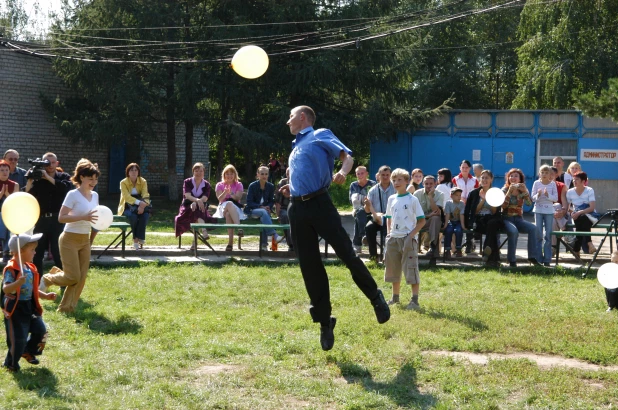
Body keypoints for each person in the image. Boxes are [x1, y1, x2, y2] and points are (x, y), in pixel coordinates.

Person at [282, 105, 389, 351]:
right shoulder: (296, 145)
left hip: (320, 204)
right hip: (297, 209)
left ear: (302, 117)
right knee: (310, 266)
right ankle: (324, 322)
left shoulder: (320, 134)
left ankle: (375, 297)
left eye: (290, 117)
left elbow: (347, 157)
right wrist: (293, 188)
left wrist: (342, 171)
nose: (287, 122)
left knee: (346, 254)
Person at [40, 159, 99, 314]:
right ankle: (48, 278)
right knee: (73, 276)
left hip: (84, 239)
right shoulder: (73, 194)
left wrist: (92, 236)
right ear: (81, 178)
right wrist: (83, 217)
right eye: (90, 178)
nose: (93, 182)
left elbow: (95, 218)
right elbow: (61, 217)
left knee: (81, 278)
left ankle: (66, 308)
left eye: (95, 178)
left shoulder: (95, 196)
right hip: (69, 239)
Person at [2, 233, 56, 372]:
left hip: (30, 307)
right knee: (18, 339)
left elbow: (33, 289)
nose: (35, 252)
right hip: (16, 309)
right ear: (20, 251)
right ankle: (11, 364)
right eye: (32, 249)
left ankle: (28, 350)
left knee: (41, 330)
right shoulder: (12, 269)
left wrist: (45, 296)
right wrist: (18, 282)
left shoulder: (30, 268)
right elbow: (6, 288)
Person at [383, 168, 426, 309]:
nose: (396, 183)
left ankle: (415, 300)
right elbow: (389, 218)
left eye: (399, 180)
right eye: (394, 180)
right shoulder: (391, 199)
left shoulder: (412, 199)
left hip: (408, 238)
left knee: (411, 268)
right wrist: (389, 234)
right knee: (393, 269)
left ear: (407, 181)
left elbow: (421, 221)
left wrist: (411, 236)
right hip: (393, 239)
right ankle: (395, 298)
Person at [25, 152, 73, 276]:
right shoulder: (38, 179)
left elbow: (67, 188)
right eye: (47, 163)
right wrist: (30, 180)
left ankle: (64, 281)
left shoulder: (63, 176)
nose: (50, 165)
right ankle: (36, 282)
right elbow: (26, 195)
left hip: (59, 220)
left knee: (59, 253)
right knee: (37, 253)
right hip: (41, 220)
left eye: (52, 162)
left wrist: (48, 177)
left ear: (57, 163)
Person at [463, 170, 504, 267]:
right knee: (492, 231)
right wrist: (483, 199)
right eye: (483, 177)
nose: (484, 180)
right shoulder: (474, 193)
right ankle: (493, 259)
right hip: (478, 221)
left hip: (491, 219)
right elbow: (474, 212)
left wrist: (489, 198)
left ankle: (487, 251)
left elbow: (495, 212)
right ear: (479, 179)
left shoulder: (495, 192)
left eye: (487, 178)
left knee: (492, 223)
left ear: (491, 179)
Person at [501, 168, 540, 267]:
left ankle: (532, 257)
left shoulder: (522, 189)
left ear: (520, 179)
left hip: (518, 219)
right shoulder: (504, 189)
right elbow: (503, 206)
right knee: (513, 231)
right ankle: (512, 260)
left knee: (533, 228)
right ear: (508, 178)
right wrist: (509, 192)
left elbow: (529, 204)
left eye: (516, 176)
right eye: (511, 176)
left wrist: (525, 192)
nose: (513, 178)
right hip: (506, 218)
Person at [174, 162, 215, 250]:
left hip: (200, 206)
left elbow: (205, 197)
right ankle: (203, 232)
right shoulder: (187, 182)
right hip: (187, 205)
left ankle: (195, 242)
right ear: (193, 172)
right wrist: (196, 200)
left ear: (204, 172)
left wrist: (197, 203)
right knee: (196, 212)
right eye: (196, 171)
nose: (198, 173)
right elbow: (187, 195)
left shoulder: (207, 184)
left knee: (197, 211)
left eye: (201, 171)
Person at [244, 165, 284, 252]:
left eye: (266, 174)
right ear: (257, 175)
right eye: (262, 174)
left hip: (265, 212)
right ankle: (274, 235)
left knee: (264, 215)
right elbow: (249, 202)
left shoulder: (270, 186)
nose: (264, 176)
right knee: (263, 212)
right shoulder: (252, 186)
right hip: (252, 211)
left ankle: (263, 246)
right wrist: (260, 206)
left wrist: (269, 207)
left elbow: (271, 201)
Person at [212, 164, 247, 252]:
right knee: (229, 204)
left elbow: (238, 198)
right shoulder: (219, 185)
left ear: (235, 175)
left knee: (228, 214)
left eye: (231, 174)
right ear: (224, 175)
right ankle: (239, 227)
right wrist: (225, 192)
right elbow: (220, 199)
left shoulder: (239, 184)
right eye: (227, 174)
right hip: (222, 207)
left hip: (236, 208)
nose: (229, 176)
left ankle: (230, 243)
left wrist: (231, 193)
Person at [363, 165, 394, 262]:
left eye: (387, 175)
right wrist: (367, 205)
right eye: (383, 175)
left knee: (386, 228)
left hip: (391, 219)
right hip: (376, 218)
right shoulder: (373, 190)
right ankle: (373, 256)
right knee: (369, 227)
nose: (385, 177)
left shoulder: (395, 188)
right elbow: (367, 211)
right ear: (379, 175)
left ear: (390, 175)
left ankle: (387, 256)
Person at [118, 163, 151, 250]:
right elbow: (126, 197)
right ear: (128, 172)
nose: (134, 172)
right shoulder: (123, 182)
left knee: (145, 215)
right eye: (131, 170)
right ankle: (136, 240)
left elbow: (145, 194)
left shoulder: (143, 181)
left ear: (138, 172)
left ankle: (140, 238)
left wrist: (142, 206)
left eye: (136, 170)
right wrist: (139, 203)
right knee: (133, 217)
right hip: (127, 206)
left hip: (142, 204)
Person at [566, 172, 598, 259]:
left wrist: (579, 212)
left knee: (582, 217)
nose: (574, 181)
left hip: (590, 216)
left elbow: (591, 208)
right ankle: (589, 243)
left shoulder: (589, 190)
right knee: (581, 219)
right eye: (573, 179)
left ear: (583, 181)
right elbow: (568, 208)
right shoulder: (570, 192)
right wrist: (573, 212)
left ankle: (576, 249)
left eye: (577, 179)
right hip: (577, 216)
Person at [532, 165, 558, 266]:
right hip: (538, 210)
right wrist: (538, 195)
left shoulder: (552, 184)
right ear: (539, 173)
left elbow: (555, 198)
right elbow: (533, 197)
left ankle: (547, 259)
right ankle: (538, 258)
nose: (544, 174)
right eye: (542, 172)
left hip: (549, 211)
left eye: (546, 173)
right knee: (538, 234)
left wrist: (548, 195)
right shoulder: (536, 183)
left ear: (550, 174)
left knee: (548, 234)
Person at [413, 175, 443, 259]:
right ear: (423, 184)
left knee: (436, 218)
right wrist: (428, 215)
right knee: (433, 218)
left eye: (431, 184)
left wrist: (430, 196)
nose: (429, 186)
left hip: (432, 221)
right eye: (426, 184)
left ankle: (432, 247)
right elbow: (415, 213)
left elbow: (437, 211)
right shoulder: (417, 194)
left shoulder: (440, 194)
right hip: (419, 220)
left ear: (435, 184)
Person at [453, 160, 479, 254]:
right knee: (458, 224)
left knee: (469, 224)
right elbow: (452, 192)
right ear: (460, 168)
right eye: (463, 167)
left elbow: (476, 193)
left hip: (471, 206)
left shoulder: (475, 180)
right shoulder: (455, 179)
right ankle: (457, 246)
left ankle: (469, 244)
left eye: (466, 167)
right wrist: (460, 199)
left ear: (470, 168)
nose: (464, 169)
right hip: (458, 205)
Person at [349, 166, 375, 254]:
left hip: (370, 209)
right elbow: (351, 200)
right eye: (358, 173)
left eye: (362, 173)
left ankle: (357, 245)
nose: (360, 175)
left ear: (367, 173)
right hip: (357, 209)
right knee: (359, 213)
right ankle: (364, 236)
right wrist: (363, 199)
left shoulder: (372, 184)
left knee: (359, 217)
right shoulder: (353, 185)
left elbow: (373, 199)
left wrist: (359, 198)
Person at [0, 160, 20, 262]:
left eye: (6, 170)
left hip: (10, 211)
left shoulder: (15, 184)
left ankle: (6, 252)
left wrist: (7, 194)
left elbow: (15, 201)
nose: (4, 172)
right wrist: (1, 193)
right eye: (2, 170)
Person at [442, 187, 465, 259]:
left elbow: (461, 215)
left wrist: (463, 226)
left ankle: (458, 249)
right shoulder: (448, 203)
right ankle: (447, 249)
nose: (458, 197)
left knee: (458, 230)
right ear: (451, 196)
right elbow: (447, 215)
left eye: (459, 195)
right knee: (448, 230)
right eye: (456, 195)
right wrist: (445, 225)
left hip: (458, 222)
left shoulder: (462, 204)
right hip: (451, 221)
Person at [275, 168, 293, 251]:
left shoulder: (299, 182)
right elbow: (277, 201)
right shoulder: (282, 182)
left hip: (297, 208)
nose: (290, 175)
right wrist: (278, 214)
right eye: (288, 173)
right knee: (285, 216)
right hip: (284, 209)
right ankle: (291, 244)